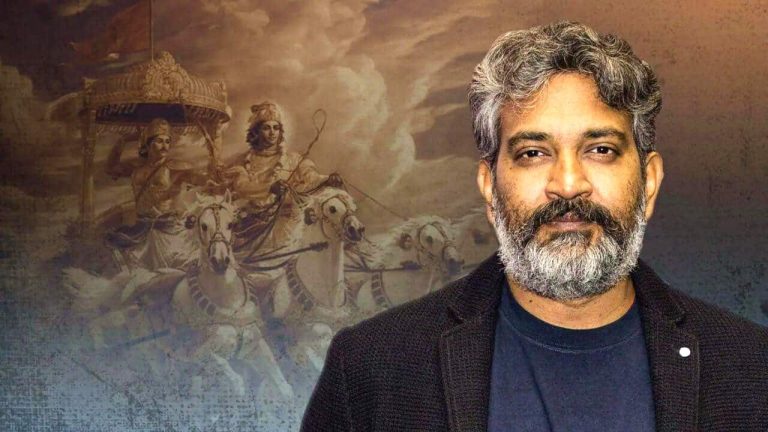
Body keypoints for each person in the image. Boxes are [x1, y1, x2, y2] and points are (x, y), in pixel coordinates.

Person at [301, 22, 768, 431]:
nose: (568, 184)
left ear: (648, 182)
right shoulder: (372, 369)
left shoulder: (752, 370)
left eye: (600, 149)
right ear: (490, 187)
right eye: (533, 153)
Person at [105, 117, 208, 270]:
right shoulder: (136, 168)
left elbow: (201, 179)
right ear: (147, 144)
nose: (164, 146)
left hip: (167, 228)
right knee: (114, 245)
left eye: (167, 141)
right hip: (142, 227)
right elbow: (111, 168)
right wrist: (124, 140)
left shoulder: (175, 167)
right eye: (159, 141)